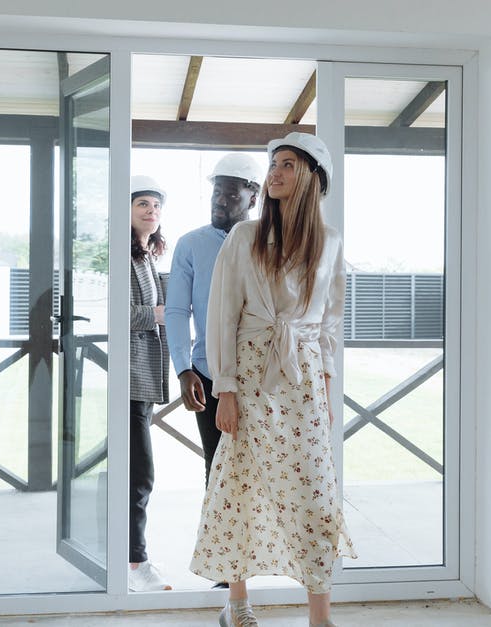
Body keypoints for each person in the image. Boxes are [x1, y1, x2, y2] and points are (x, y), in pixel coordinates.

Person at [190, 134, 355, 627]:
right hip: (251, 374)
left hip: (303, 380)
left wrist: (326, 393)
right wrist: (226, 389)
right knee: (240, 487)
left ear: (311, 177)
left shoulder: (330, 243)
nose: (274, 173)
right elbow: (222, 316)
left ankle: (320, 615)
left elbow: (329, 326)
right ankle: (237, 606)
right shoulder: (245, 237)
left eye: (287, 164)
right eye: (273, 165)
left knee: (316, 492)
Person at [164, 153, 262, 490]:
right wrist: (182, 368)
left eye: (232, 194)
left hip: (262, 375)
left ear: (254, 196)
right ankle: (218, 544)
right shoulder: (190, 245)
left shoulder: (269, 241)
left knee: (261, 473)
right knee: (218, 471)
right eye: (216, 193)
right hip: (209, 374)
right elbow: (177, 310)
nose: (220, 202)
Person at [127, 175, 173, 592]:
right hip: (129, 379)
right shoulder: (123, 258)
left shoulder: (146, 258)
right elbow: (117, 315)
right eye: (142, 203)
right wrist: (157, 315)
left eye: (156, 206)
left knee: (136, 471)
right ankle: (135, 562)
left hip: (144, 378)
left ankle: (130, 557)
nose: (151, 211)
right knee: (139, 474)